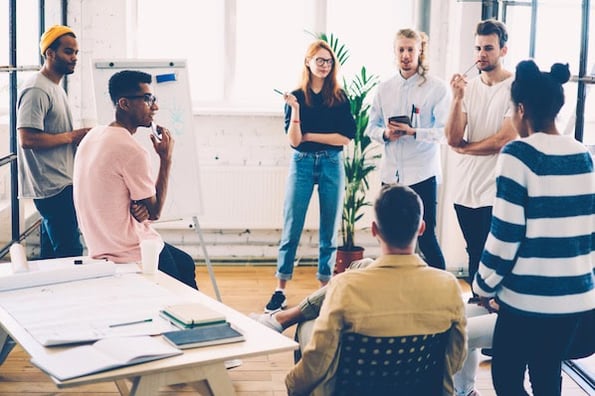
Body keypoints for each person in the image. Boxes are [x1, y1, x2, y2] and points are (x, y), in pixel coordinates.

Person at [474, 60, 595, 395]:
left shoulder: (517, 154)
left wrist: (483, 285)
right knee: (546, 376)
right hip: (576, 300)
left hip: (529, 300)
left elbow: (505, 235)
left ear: (522, 109)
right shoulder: (582, 154)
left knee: (507, 378)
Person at [284, 184, 467, 396]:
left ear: (374, 230)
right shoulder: (448, 286)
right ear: (421, 228)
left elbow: (318, 361)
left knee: (306, 324)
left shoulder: (346, 287)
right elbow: (456, 359)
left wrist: (291, 384)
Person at [73, 70, 197, 289]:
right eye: (148, 99)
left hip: (99, 243)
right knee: (182, 286)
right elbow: (154, 212)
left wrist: (132, 204)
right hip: (130, 250)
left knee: (185, 263)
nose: (155, 107)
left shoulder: (93, 135)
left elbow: (109, 189)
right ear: (124, 103)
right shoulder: (131, 150)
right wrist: (165, 159)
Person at [264, 40, 356, 313]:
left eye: (328, 61)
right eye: (319, 60)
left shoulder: (339, 97)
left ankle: (324, 289)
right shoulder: (296, 97)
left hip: (331, 163)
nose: (324, 65)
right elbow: (294, 141)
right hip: (302, 163)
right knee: (292, 226)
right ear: (308, 62)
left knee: (329, 231)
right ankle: (280, 289)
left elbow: (345, 138)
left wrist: (310, 136)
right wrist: (295, 110)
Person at [365, 28, 450, 270]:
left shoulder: (437, 88)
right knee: (388, 238)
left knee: (427, 237)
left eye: (410, 49)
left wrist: (414, 132)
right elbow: (371, 127)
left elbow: (444, 133)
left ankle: (441, 290)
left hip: (422, 173)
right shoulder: (384, 89)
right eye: (401, 49)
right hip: (391, 174)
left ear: (420, 51)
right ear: (395, 52)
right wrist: (386, 134)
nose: (405, 55)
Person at [444, 19, 518, 298]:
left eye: (488, 48)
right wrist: (457, 99)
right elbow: (452, 138)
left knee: (494, 257)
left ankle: (494, 322)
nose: (481, 54)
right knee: (474, 253)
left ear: (503, 50)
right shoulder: (469, 88)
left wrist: (465, 147)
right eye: (478, 48)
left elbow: (503, 139)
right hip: (465, 190)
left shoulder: (515, 87)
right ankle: (478, 310)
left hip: (496, 189)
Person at [16, 25, 91, 259]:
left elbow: (54, 134)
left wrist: (79, 139)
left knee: (52, 254)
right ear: (50, 53)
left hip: (61, 182)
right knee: (70, 252)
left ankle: (47, 294)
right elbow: (27, 139)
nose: (74, 58)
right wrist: (72, 136)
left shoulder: (55, 88)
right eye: (69, 52)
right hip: (51, 186)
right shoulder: (37, 89)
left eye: (76, 53)